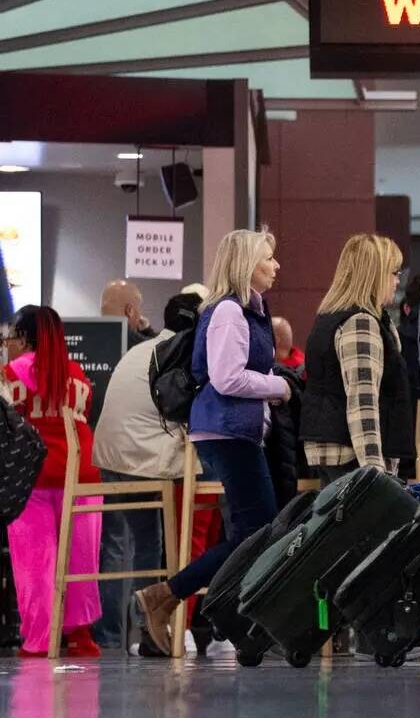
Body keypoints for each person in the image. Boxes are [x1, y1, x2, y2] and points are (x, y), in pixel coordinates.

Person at [134, 228, 288, 656]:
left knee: (250, 531)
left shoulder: (244, 311)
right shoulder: (229, 313)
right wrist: (278, 387)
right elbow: (226, 377)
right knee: (259, 532)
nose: (276, 267)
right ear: (246, 265)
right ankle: (172, 595)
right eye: (268, 259)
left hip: (231, 430)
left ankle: (177, 601)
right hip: (226, 430)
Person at [91, 292, 206, 655]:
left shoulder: (142, 348)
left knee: (122, 544)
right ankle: (154, 624)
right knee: (154, 540)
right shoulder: (181, 353)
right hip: (140, 461)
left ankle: (113, 637)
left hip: (108, 459)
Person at [1, 305, 102, 657]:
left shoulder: (12, 373)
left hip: (32, 477)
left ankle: (40, 639)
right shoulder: (77, 374)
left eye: (12, 335)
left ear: (26, 337)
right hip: (82, 475)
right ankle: (80, 636)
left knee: (35, 561)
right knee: (80, 559)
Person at [301, 234, 414, 484]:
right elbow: (362, 401)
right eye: (393, 272)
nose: (397, 281)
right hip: (354, 455)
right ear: (374, 274)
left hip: (337, 450)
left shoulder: (331, 318)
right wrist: (374, 470)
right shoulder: (361, 323)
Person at [101, 279, 156, 349]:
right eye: (138, 308)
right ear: (130, 310)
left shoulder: (88, 336)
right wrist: (148, 331)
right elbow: (162, 351)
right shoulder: (139, 345)